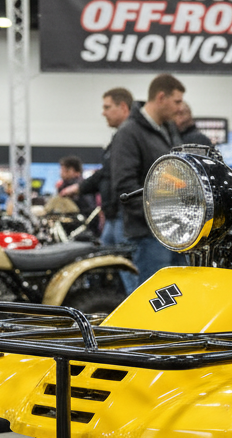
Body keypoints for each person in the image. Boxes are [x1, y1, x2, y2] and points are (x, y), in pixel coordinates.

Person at [111, 73, 186, 289]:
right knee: (151, 301)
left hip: (174, 234)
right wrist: (159, 217)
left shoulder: (169, 130)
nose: (180, 108)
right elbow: (125, 188)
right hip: (147, 236)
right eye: (177, 101)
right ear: (161, 97)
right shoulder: (129, 133)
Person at [62, 87, 134, 248]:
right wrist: (79, 188)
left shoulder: (130, 137)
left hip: (125, 216)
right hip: (113, 215)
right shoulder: (119, 138)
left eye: (107, 107)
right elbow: (106, 173)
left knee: (125, 267)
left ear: (123, 107)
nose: (103, 113)